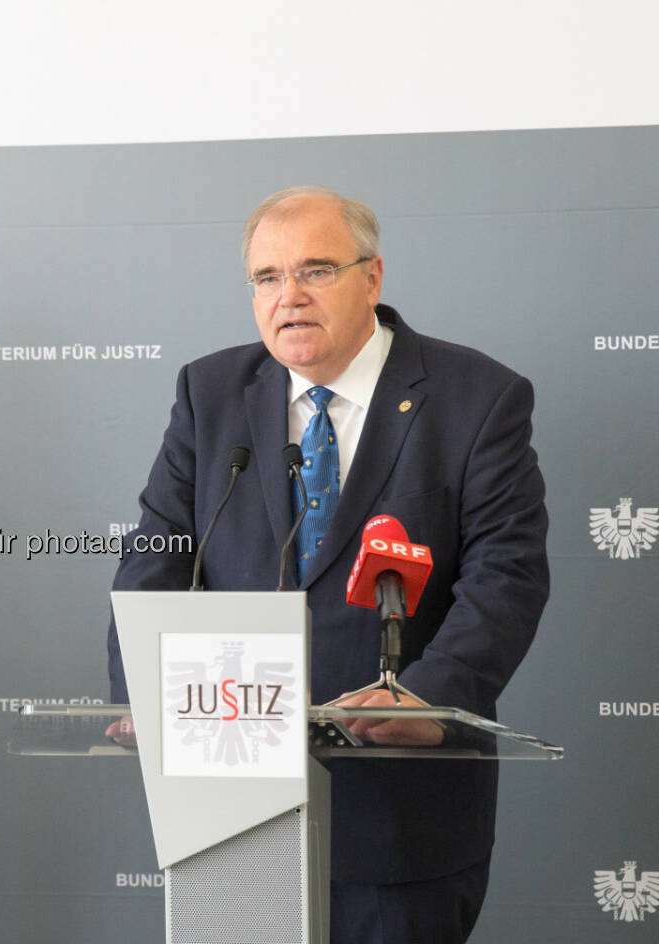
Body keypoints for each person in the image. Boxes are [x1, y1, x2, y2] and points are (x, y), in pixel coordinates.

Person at [105, 186, 548, 942]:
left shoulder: (475, 396)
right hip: (232, 798)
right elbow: (157, 551)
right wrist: (139, 690)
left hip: (398, 811)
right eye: (267, 278)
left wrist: (426, 699)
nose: (290, 297)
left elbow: (504, 575)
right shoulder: (210, 392)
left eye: (315, 270)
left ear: (372, 279)